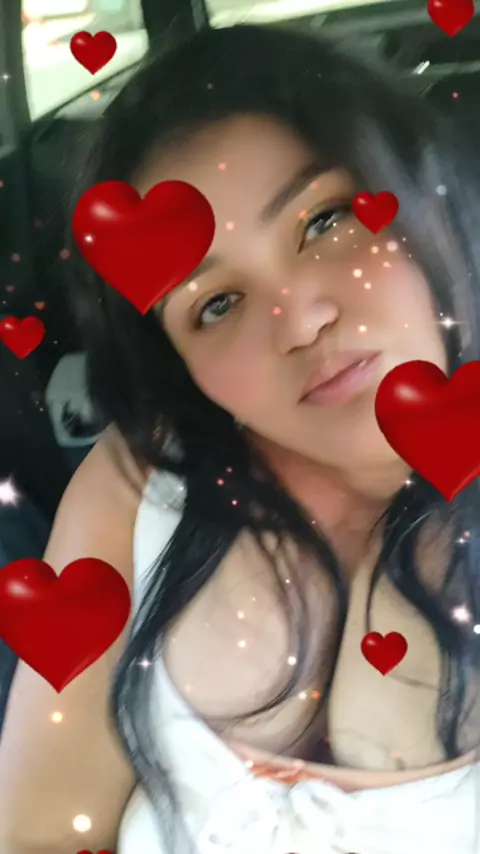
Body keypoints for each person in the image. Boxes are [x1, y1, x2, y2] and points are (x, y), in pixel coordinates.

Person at [1, 22, 479, 854]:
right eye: (216, 304)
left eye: (324, 220)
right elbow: (37, 832)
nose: (299, 320)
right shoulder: (137, 486)